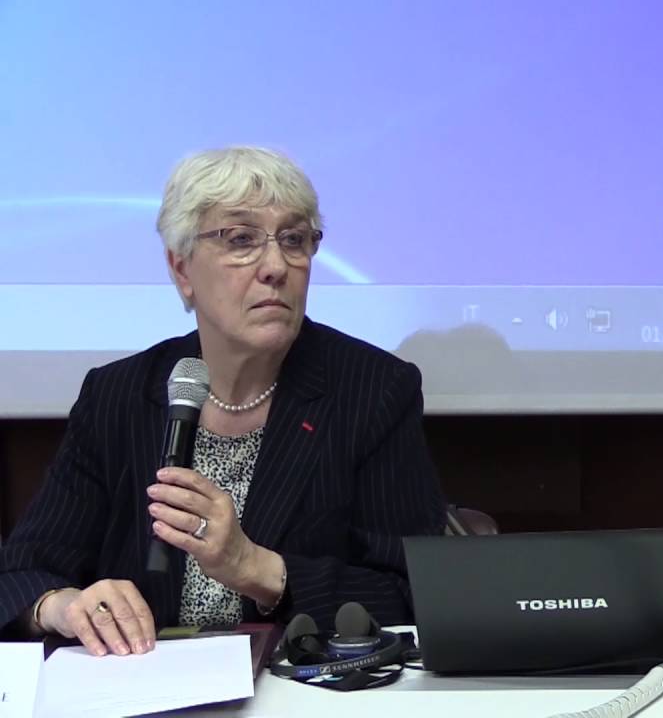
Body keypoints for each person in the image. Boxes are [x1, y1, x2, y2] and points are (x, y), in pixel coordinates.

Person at [0, 146, 446, 656]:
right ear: (182, 269)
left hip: (302, 684)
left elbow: (414, 592)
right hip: (143, 682)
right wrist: (60, 605)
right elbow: (22, 569)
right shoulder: (117, 395)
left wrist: (257, 569)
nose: (275, 267)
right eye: (241, 240)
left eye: (294, 240)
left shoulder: (372, 390)